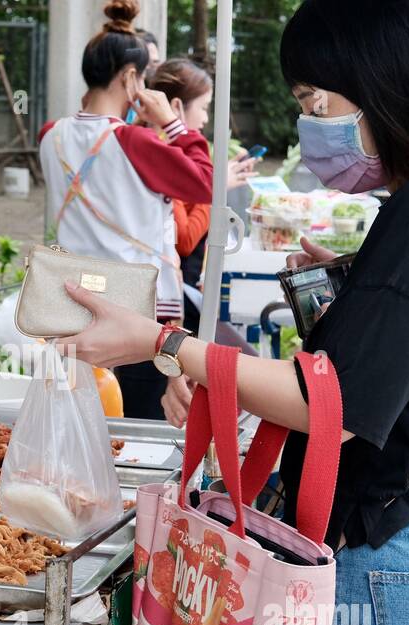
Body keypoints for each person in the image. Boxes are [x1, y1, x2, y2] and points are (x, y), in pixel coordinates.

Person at [56, 0, 409, 625]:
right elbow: (378, 378)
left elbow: (338, 407)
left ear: (384, 82)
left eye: (316, 99)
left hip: (393, 583)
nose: (312, 120)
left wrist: (164, 344)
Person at [38, 0, 212, 420]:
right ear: (130, 77)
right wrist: (173, 123)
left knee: (82, 428)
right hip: (135, 315)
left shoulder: (50, 135)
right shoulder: (135, 142)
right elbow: (205, 182)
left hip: (72, 310)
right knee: (135, 437)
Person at [145, 58, 259, 422]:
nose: (207, 119)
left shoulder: (171, 153)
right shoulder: (161, 156)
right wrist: (215, 194)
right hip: (167, 301)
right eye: (205, 108)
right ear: (176, 107)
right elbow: (183, 239)